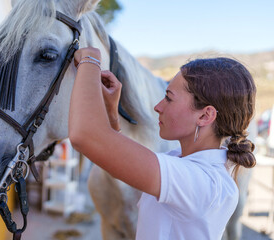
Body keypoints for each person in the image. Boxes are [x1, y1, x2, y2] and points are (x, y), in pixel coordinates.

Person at [68, 47, 256, 240]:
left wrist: (90, 58)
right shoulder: (183, 162)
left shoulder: (202, 181)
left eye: (168, 98)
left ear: (205, 115)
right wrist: (112, 115)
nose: (158, 107)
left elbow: (84, 135)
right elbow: (121, 161)